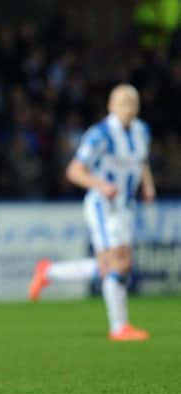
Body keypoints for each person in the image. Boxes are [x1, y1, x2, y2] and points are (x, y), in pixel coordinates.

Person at [28, 84, 155, 342]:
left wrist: (148, 184)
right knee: (116, 263)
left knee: (120, 265)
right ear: (111, 106)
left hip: (126, 206)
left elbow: (141, 161)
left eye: (132, 102)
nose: (128, 108)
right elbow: (74, 171)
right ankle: (119, 328)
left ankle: (49, 271)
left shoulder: (142, 130)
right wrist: (101, 185)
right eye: (122, 102)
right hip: (102, 206)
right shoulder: (100, 135)